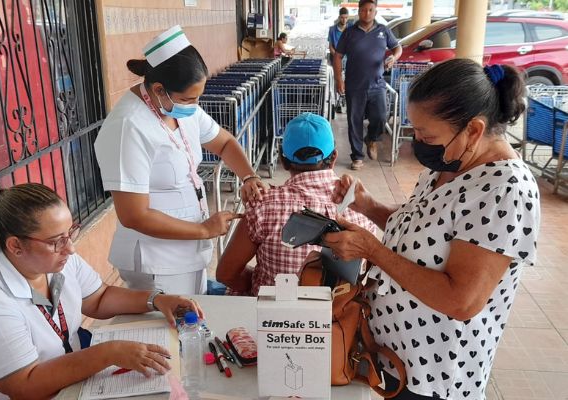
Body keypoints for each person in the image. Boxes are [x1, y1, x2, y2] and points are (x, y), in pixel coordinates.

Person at [325, 59, 541, 399]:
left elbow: (461, 300)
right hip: (396, 360)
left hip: (436, 374)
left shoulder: (505, 189)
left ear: (473, 130)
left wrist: (373, 251)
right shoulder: (451, 162)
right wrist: (369, 207)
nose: (418, 142)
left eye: (427, 134)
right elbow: (425, 228)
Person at [0, 183, 204, 399]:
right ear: (16, 246)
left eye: (71, 233)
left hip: (68, 384)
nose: (70, 248)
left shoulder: (55, 259)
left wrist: (156, 300)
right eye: (57, 241)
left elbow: (98, 299)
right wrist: (107, 353)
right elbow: (25, 386)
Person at [94, 26, 266, 295]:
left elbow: (224, 142)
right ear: (159, 89)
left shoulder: (183, 109)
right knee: (172, 332)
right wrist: (204, 229)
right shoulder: (128, 127)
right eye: (188, 99)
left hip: (187, 254)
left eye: (197, 98)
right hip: (157, 261)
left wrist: (248, 176)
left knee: (192, 321)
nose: (194, 105)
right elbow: (133, 215)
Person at [216, 113, 376, 295]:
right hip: (337, 318)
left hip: (273, 318)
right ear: (334, 157)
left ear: (283, 161)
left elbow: (226, 274)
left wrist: (263, 285)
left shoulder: (263, 206)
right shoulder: (361, 205)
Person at [334, 0, 402, 169]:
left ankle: (372, 138)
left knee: (380, 117)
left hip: (377, 84)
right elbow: (337, 56)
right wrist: (338, 79)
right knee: (354, 120)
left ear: (375, 12)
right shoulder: (349, 32)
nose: (367, 13)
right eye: (363, 10)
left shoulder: (383, 31)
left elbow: (397, 48)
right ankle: (357, 156)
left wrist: (394, 57)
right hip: (354, 85)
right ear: (359, 11)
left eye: (370, 10)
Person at [328, 7, 352, 114]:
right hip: (336, 58)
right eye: (342, 18)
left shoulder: (351, 29)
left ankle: (347, 102)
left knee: (349, 80)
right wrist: (337, 56)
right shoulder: (332, 30)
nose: (344, 20)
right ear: (339, 17)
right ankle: (337, 102)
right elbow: (331, 46)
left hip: (349, 59)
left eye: (346, 18)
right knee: (337, 80)